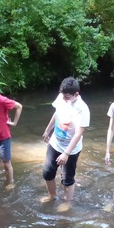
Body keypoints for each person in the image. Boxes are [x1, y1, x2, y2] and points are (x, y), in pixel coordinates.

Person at [41, 77, 90, 210]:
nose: (64, 99)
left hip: (71, 149)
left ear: (76, 94)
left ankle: (67, 203)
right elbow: (56, 114)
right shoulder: (62, 97)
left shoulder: (83, 109)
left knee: (67, 178)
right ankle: (52, 196)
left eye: (67, 97)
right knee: (47, 173)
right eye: (62, 96)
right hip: (55, 142)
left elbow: (78, 133)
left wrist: (66, 153)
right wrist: (47, 130)